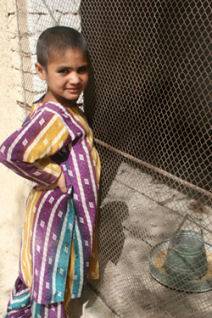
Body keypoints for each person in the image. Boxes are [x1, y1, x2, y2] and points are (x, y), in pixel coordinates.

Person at [0, 26, 101, 317]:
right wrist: (55, 176)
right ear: (41, 71)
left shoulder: (63, 107)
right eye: (64, 70)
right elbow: (10, 152)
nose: (75, 79)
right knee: (52, 280)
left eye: (82, 70)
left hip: (62, 214)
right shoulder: (53, 116)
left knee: (51, 272)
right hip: (58, 214)